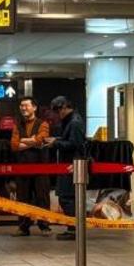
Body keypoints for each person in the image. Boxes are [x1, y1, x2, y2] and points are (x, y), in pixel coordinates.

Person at [44, 96, 87, 241]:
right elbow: (70, 140)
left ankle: (73, 229)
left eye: (57, 111)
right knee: (67, 197)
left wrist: (55, 143)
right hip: (69, 165)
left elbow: (75, 144)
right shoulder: (71, 120)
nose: (57, 115)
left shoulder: (74, 122)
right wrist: (56, 140)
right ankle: (72, 228)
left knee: (67, 197)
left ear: (64, 107)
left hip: (72, 165)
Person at [10, 97, 51, 236]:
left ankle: (44, 226)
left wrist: (25, 140)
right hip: (22, 167)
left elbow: (41, 140)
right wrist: (31, 140)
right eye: (21, 106)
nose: (23, 108)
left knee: (42, 197)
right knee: (22, 198)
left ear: (34, 108)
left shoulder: (43, 123)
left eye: (26, 106)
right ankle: (23, 227)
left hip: (40, 167)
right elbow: (14, 146)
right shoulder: (17, 125)